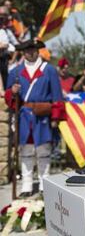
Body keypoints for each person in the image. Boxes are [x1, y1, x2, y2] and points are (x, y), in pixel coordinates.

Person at [4, 40, 66, 198]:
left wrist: (56, 117)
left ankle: (45, 184)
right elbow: (9, 99)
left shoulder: (49, 70)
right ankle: (26, 185)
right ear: (23, 52)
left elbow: (57, 96)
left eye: (33, 49)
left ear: (38, 51)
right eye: (27, 50)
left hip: (43, 115)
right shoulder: (15, 72)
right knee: (26, 150)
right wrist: (13, 91)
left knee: (43, 150)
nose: (30, 53)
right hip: (24, 116)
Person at [0, 6, 18, 89]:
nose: (1, 17)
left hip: (4, 60)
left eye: (4, 15)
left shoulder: (7, 31)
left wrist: (13, 60)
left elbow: (17, 46)